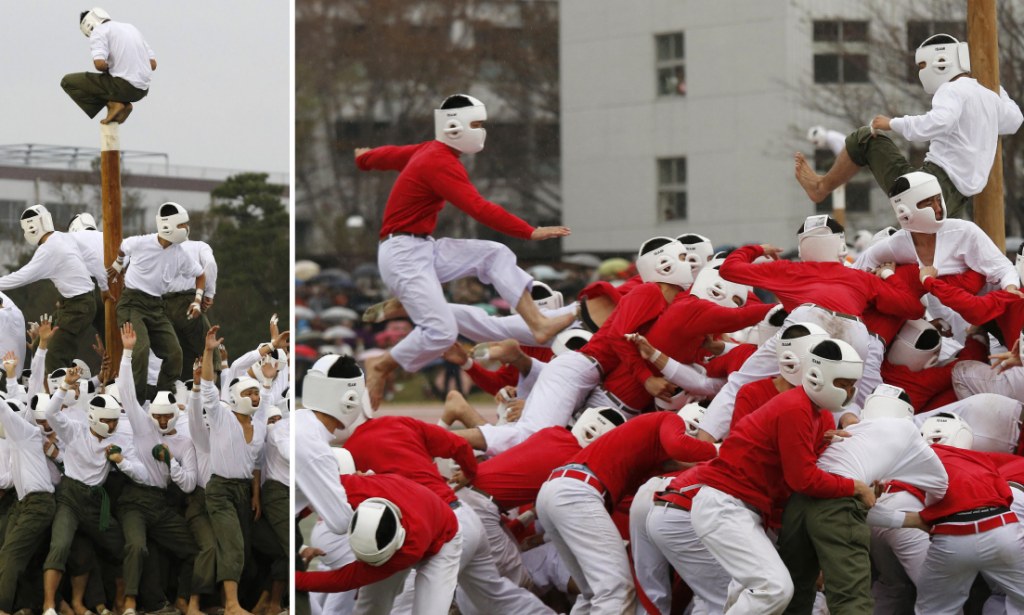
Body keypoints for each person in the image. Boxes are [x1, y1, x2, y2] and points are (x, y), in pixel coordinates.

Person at [354, 93, 573, 408]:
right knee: (442, 333)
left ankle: (537, 323)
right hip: (404, 254)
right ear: (454, 126)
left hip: (421, 248)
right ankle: (381, 365)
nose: (482, 131)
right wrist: (529, 231)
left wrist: (365, 159)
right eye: (477, 124)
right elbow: (478, 208)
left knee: (494, 253)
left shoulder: (429, 150)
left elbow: (391, 155)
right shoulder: (439, 161)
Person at [795, 33, 1023, 219]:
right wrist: (997, 89)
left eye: (922, 65)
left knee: (863, 139)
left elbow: (937, 122)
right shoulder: (988, 97)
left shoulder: (951, 89)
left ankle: (820, 187)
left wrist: (892, 123)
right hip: (958, 198)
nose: (920, 72)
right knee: (925, 248)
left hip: (933, 184)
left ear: (941, 62)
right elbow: (1014, 120)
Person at [108, 202, 205, 402]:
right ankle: (136, 401)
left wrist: (197, 300)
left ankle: (162, 399)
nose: (186, 228)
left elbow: (200, 274)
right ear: (168, 226)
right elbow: (123, 247)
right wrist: (118, 263)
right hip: (132, 303)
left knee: (174, 353)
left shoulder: (180, 253)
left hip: (156, 307)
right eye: (182, 224)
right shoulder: (142, 242)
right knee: (141, 349)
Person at [0, 205, 102, 375]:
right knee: (40, 344)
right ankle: (58, 379)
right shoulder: (62, 237)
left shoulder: (48, 250)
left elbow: (21, 277)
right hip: (76, 302)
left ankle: (63, 387)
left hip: (78, 307)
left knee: (54, 353)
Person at [61, 7, 157, 125]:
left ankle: (113, 104)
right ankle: (123, 105)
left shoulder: (98, 31)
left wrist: (109, 69)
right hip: (142, 91)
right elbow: (153, 64)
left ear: (88, 27)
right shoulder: (131, 28)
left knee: (67, 82)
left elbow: (99, 64)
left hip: (125, 87)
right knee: (111, 80)